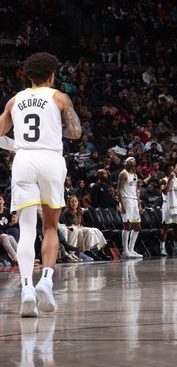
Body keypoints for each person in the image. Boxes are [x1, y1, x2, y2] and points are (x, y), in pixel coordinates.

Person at [0, 52, 81, 316]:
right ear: (52, 75)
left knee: (25, 229)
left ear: (28, 76)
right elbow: (76, 132)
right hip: (50, 159)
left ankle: (26, 288)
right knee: (49, 226)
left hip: (23, 160)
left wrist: (15, 144)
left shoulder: (14, 100)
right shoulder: (59, 97)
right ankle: (45, 280)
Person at [118, 157, 143, 259]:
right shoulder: (123, 174)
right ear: (126, 162)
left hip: (134, 200)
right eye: (131, 160)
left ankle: (131, 249)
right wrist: (121, 204)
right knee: (127, 225)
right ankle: (125, 251)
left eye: (134, 159)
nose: (133, 161)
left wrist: (139, 204)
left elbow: (136, 190)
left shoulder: (135, 174)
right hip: (126, 199)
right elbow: (118, 189)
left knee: (137, 226)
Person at [159, 163, 177, 257]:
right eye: (170, 169)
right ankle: (162, 248)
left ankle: (176, 248)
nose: (172, 171)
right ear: (166, 171)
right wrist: (169, 179)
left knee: (176, 228)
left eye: (173, 169)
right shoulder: (163, 180)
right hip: (167, 205)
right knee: (165, 227)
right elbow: (164, 192)